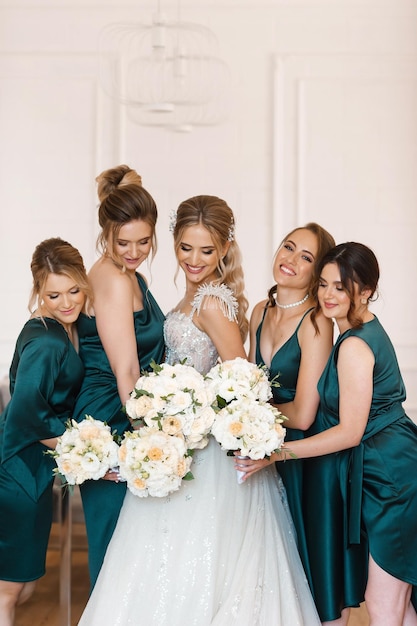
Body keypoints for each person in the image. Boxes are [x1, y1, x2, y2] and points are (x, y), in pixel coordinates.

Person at [78, 195, 322, 625]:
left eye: (206, 250)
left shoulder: (212, 303)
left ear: (224, 249)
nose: (194, 259)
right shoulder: (193, 297)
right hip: (179, 440)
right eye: (186, 248)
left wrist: (184, 411)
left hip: (203, 453)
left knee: (198, 562)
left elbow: (242, 386)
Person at [241, 242, 417, 625]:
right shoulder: (355, 333)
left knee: (386, 605)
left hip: (391, 478)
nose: (328, 295)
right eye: (323, 284)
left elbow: (349, 433)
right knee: (396, 604)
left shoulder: (354, 345)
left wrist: (276, 453)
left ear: (366, 291)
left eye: (341, 286)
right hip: (380, 472)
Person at [72, 165, 165, 588]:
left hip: (129, 408)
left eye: (143, 241)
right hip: (112, 416)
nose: (133, 251)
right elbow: (125, 368)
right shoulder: (110, 279)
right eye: (122, 242)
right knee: (114, 548)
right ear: (104, 234)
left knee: (137, 550)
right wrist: (150, 435)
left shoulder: (133, 277)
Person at [0, 238, 91, 626]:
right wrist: (86, 448)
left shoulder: (63, 328)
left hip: (33, 470)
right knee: (9, 588)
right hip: (17, 472)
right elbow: (27, 414)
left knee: (25, 582)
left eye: (74, 290)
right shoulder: (45, 341)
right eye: (54, 294)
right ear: (38, 290)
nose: (67, 302)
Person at [248, 224, 336, 595]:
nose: (291, 260)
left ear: (316, 273)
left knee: (300, 565)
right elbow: (248, 386)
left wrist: (249, 421)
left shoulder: (317, 322)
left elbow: (302, 413)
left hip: (299, 458)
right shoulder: (259, 311)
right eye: (288, 247)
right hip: (259, 447)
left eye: (306, 257)